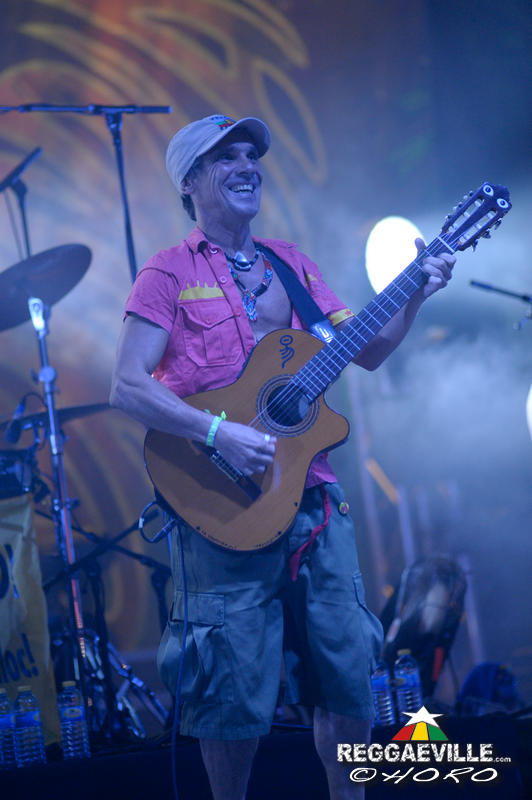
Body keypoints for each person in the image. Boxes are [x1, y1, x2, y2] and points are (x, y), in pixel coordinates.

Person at [110, 114, 455, 800]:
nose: (247, 166)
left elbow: (368, 347)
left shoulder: (289, 263)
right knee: (230, 683)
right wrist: (216, 433)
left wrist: (416, 288)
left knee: (346, 665)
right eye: (226, 158)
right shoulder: (166, 273)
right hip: (221, 501)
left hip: (315, 496)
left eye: (251, 155)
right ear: (191, 181)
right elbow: (125, 384)